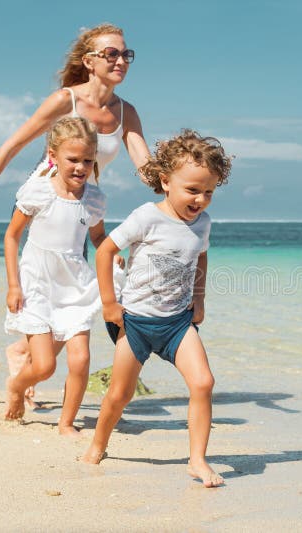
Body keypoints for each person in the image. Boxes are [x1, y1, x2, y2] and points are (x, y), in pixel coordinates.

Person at [0, 23, 150, 405]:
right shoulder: (65, 100)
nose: (121, 60)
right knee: (47, 288)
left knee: (71, 297)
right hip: (43, 199)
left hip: (81, 205)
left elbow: (145, 168)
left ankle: (23, 356)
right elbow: (12, 145)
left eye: (126, 54)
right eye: (112, 53)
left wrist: (183, 183)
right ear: (89, 61)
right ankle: (30, 360)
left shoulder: (126, 112)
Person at [80, 130, 231, 488]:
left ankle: (197, 459)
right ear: (166, 181)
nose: (201, 199)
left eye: (209, 191)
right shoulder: (147, 217)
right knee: (120, 395)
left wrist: (200, 299)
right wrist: (109, 304)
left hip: (178, 323)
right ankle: (98, 444)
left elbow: (201, 257)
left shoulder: (203, 224)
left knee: (203, 382)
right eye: (193, 190)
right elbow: (105, 251)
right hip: (136, 324)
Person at [3, 116, 105, 434]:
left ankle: (66, 422)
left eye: (88, 160)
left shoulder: (94, 200)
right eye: (73, 159)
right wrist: (13, 285)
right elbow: (11, 237)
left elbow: (99, 238)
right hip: (37, 284)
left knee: (80, 359)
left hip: (75, 285)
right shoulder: (38, 193)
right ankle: (17, 388)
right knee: (44, 367)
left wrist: (113, 258)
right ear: (54, 154)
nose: (80, 167)